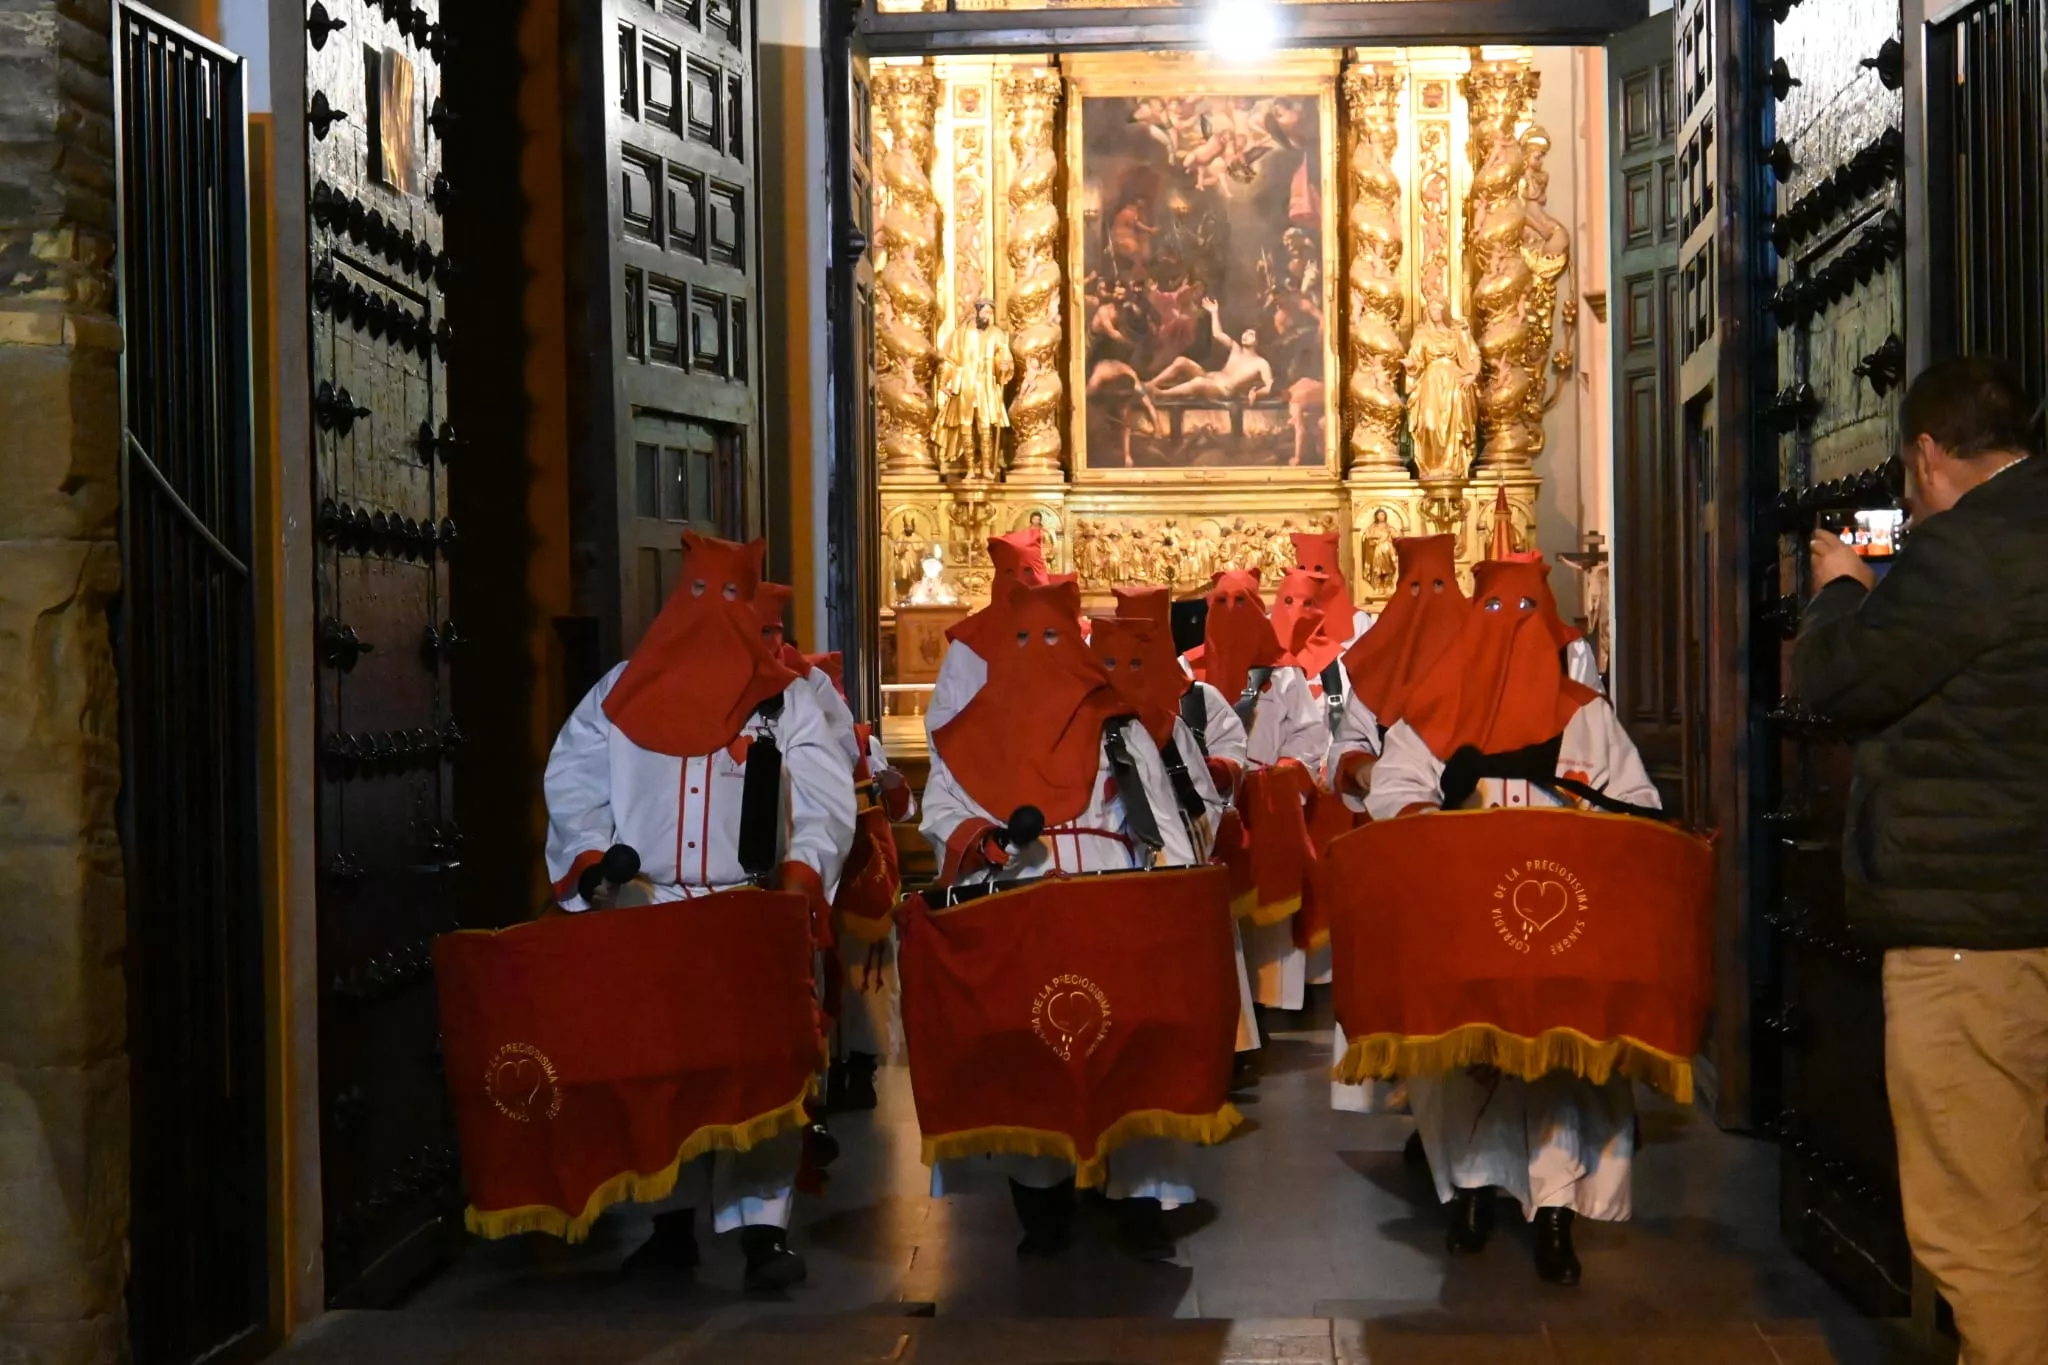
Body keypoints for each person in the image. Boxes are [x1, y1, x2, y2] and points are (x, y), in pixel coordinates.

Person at [1791, 355, 2048, 1365]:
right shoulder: (2014, 528)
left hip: (1967, 936)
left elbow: (1837, 685)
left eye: (1908, 482)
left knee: (1975, 1225)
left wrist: (1836, 592)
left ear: (1927, 453)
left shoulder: (1962, 554)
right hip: (2024, 914)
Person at [543, 533, 856, 1291]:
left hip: (749, 913)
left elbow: (825, 799)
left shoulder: (791, 699)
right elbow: (573, 779)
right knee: (662, 1073)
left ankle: (762, 1232)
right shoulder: (618, 691)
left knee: (760, 1074)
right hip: (649, 908)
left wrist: (801, 875)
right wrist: (589, 858)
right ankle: (670, 1224)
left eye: (727, 599)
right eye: (698, 596)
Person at [1366, 556, 1661, 1286]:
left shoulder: (1586, 713)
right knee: (1468, 1061)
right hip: (1464, 924)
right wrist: (1433, 801)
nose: (1511, 634)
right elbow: (1390, 796)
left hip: (1563, 923)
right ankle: (1470, 1190)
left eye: (1527, 616)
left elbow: (1637, 801)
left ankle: (1556, 1209)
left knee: (1558, 1063)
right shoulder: (1434, 710)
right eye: (1496, 615)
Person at [920, 579, 1199, 1259]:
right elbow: (941, 808)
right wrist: (978, 840)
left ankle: (1141, 1196)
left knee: (1129, 1047)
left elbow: (1160, 815)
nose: (1038, 653)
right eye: (1023, 639)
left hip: (1113, 903)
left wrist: (1179, 894)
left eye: (1052, 637)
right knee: (1032, 1050)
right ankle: (1040, 1196)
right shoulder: (970, 732)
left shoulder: (1116, 723)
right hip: (1022, 902)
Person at [1325, 534, 1472, 1117]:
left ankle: (1456, 1102)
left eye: (1439, 588)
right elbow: (1340, 752)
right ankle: (1415, 1088)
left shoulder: (1482, 660)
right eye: (1416, 590)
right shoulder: (1371, 673)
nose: (1428, 602)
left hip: (1469, 842)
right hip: (1394, 842)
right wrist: (1373, 774)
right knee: (1403, 972)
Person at [1113, 584, 1264, 1060]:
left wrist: (1214, 776)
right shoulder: (1096, 711)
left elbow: (1232, 749)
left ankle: (1223, 1044)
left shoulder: (1197, 700)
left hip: (1192, 838)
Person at [1185, 568, 1326, 1013]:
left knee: (1266, 910)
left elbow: (1308, 734)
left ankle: (1266, 1004)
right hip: (1209, 797)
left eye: (1241, 603)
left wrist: (1284, 775)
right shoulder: (1189, 669)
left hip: (1265, 795)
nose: (1231, 614)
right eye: (1220, 603)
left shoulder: (1283, 674)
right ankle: (1227, 1007)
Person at [804, 650, 916, 1113]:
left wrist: (891, 787)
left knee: (865, 977)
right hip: (813, 871)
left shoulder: (863, 744)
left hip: (860, 868)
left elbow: (903, 809)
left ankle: (862, 1068)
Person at [926, 527, 1055, 732]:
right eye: (1009, 574)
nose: (1019, 584)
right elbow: (941, 722)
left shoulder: (1067, 638)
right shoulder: (968, 647)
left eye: (1028, 572)